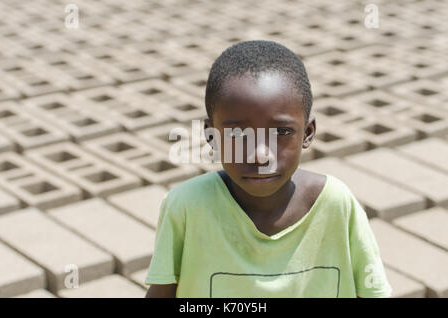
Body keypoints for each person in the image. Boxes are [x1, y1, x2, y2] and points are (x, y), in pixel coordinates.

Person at [145, 40, 392, 298]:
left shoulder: (337, 205)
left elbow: (373, 293)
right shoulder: (186, 206)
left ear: (307, 134)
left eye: (282, 132)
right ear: (212, 136)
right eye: (238, 134)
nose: (261, 155)